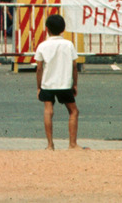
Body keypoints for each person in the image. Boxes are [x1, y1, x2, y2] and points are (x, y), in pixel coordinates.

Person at [34, 13, 82, 150]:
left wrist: (38, 87)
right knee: (73, 111)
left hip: (48, 84)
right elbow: (74, 67)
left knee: (48, 111)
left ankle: (50, 145)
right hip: (64, 83)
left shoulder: (42, 46)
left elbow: (39, 68)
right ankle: (72, 144)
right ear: (63, 29)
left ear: (47, 29)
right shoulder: (68, 45)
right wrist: (75, 84)